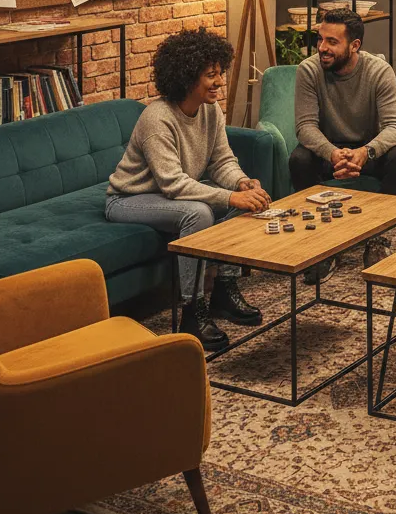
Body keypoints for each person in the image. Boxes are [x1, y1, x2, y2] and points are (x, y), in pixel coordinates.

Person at [106, 27, 272, 348]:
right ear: (186, 76)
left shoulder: (212, 111)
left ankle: (224, 289)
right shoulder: (158, 119)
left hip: (167, 194)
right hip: (129, 198)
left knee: (243, 202)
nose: (220, 82)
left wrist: (241, 183)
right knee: (198, 213)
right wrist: (230, 194)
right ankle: (192, 311)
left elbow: (222, 161)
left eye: (220, 72)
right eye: (211, 75)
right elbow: (173, 183)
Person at [289, 8, 396, 284]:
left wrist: (364, 153)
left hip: (367, 150)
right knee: (299, 159)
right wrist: (332, 154)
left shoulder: (379, 72)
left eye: (332, 42)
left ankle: (380, 240)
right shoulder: (309, 70)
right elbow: (305, 127)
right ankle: (321, 245)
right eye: (320, 39)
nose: (322, 48)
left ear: (354, 45)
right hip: (327, 150)